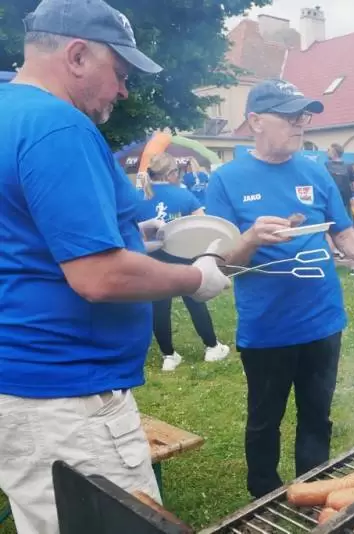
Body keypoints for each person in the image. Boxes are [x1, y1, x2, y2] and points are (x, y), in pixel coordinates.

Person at [0, 2, 231, 532]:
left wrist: (136, 237)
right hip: (67, 399)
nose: (124, 91)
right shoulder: (57, 125)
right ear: (78, 55)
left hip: (20, 387)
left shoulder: (9, 112)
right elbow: (98, 276)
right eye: (120, 73)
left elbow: (28, 235)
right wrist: (197, 278)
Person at [205, 78, 354, 499]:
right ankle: (263, 497)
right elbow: (219, 265)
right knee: (264, 420)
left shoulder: (314, 170)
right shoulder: (226, 180)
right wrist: (250, 239)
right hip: (267, 328)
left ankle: (314, 492)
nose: (300, 124)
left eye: (303, 117)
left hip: (323, 321)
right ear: (256, 121)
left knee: (317, 416)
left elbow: (345, 235)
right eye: (289, 117)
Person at [139, 153, 230, 371]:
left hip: (153, 260)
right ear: (172, 173)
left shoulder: (138, 197)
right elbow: (203, 225)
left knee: (159, 307)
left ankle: (168, 356)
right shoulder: (184, 195)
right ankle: (212, 347)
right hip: (184, 257)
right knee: (195, 301)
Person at [325, 143, 354, 274]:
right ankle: (352, 263)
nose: (327, 151)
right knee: (347, 232)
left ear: (334, 152)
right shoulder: (349, 166)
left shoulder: (326, 166)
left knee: (327, 231)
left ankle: (331, 261)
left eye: (329, 149)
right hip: (344, 203)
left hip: (329, 203)